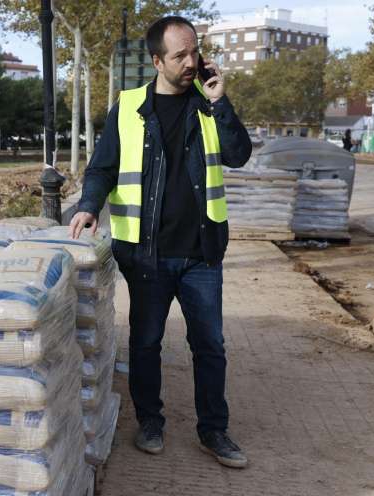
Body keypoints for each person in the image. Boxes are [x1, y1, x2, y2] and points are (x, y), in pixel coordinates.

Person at [68, 16, 252, 468]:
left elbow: (239, 155)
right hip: (146, 254)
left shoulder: (209, 105)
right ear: (157, 61)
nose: (192, 61)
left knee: (209, 344)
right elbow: (102, 167)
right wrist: (89, 203)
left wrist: (221, 102)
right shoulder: (128, 107)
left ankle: (214, 430)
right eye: (180, 55)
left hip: (201, 253)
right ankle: (150, 421)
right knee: (146, 342)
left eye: (195, 51)